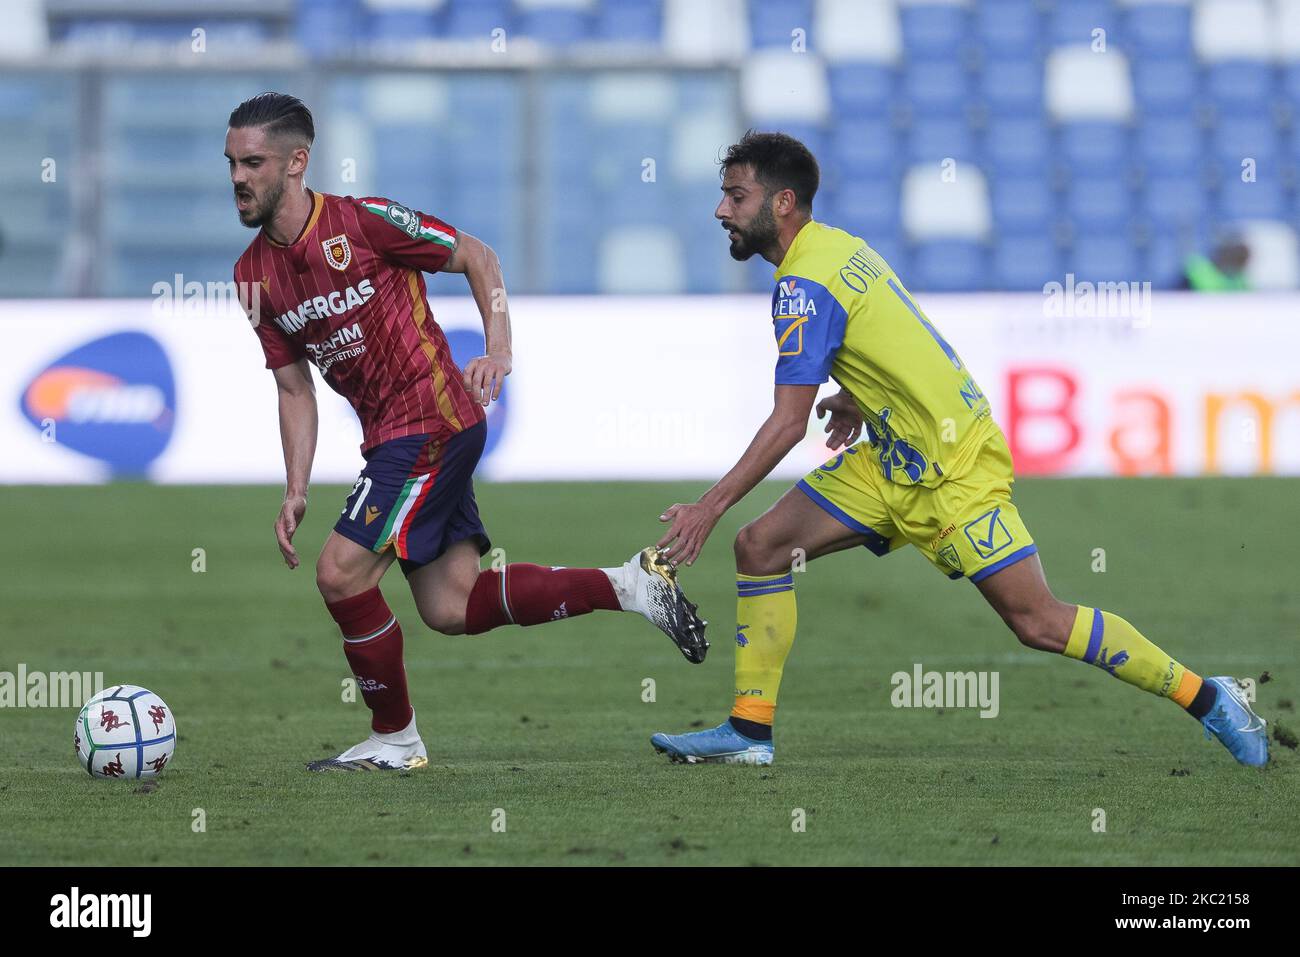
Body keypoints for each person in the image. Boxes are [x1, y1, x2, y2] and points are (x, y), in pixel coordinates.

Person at [649, 131, 1266, 768]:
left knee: (1039, 623)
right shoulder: (838, 249)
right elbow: (901, 336)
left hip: (952, 471)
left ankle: (1208, 697)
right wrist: (863, 397)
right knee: (761, 547)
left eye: (735, 195)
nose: (722, 210)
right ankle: (750, 734)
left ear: (781, 202)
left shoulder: (805, 283)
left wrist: (707, 507)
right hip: (893, 457)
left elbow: (787, 422)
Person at [228, 92, 707, 771]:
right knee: (451, 605)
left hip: (429, 421)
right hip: (398, 436)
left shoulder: (364, 222)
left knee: (339, 572)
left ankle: (394, 737)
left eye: (253, 162)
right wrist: (295, 486)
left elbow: (478, 256)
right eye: (232, 164)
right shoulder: (251, 276)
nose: (239, 178)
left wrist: (499, 348)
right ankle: (631, 584)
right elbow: (292, 386)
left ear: (297, 161)